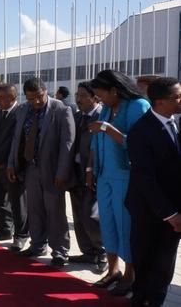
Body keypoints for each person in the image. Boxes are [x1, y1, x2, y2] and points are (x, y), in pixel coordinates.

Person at [87, 70, 151, 295]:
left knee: (126, 225)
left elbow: (137, 143)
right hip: (104, 174)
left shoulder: (138, 106)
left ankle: (130, 274)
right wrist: (90, 168)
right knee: (108, 224)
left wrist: (106, 127)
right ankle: (112, 270)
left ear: (114, 90)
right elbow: (96, 141)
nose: (99, 100)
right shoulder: (107, 107)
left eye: (101, 94)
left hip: (125, 176)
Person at [7, 77, 75, 267]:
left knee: (55, 211)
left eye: (39, 96)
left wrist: (63, 172)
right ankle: (37, 245)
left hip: (53, 171)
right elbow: (16, 139)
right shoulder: (22, 110)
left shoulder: (61, 110)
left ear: (46, 91)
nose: (36, 102)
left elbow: (67, 144)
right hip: (30, 168)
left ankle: (60, 251)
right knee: (34, 209)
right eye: (31, 98)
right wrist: (12, 163)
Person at [126, 77, 181, 307]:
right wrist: (170, 214)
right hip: (151, 210)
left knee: (165, 265)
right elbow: (144, 179)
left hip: (174, 208)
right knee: (146, 261)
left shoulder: (176, 122)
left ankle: (155, 300)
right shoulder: (141, 131)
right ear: (160, 101)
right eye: (177, 97)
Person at [67, 81, 107, 272]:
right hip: (75, 174)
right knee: (78, 216)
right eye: (78, 94)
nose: (78, 98)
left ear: (95, 97)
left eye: (83, 95)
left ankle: (103, 252)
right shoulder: (76, 117)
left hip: (93, 174)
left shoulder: (102, 117)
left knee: (92, 216)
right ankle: (88, 252)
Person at [0, 84, 29, 251]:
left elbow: (18, 142)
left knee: (18, 203)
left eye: (4, 98)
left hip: (11, 166)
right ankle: (4, 230)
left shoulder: (20, 115)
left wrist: (5, 161)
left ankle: (21, 235)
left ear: (13, 97)